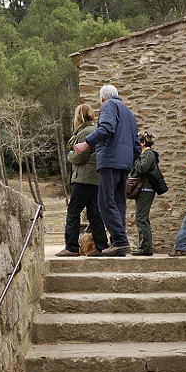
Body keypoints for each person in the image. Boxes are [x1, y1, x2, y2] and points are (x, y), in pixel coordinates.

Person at [74, 84, 141, 257]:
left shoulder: (108, 106)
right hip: (124, 164)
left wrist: (86, 143)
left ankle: (120, 240)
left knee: (104, 202)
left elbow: (106, 128)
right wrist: (130, 161)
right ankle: (119, 245)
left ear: (102, 98)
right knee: (118, 203)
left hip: (110, 160)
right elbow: (136, 144)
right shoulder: (128, 113)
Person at [57, 104, 109, 258]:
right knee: (94, 213)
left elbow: (80, 157)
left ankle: (71, 247)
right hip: (95, 178)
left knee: (73, 211)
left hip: (83, 178)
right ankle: (102, 246)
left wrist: (69, 155)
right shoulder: (95, 131)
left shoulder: (84, 132)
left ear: (78, 116)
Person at [130, 131, 159, 256]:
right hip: (143, 189)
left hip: (146, 189)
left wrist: (134, 159)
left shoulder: (148, 154)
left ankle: (145, 248)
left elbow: (142, 168)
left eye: (138, 142)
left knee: (141, 218)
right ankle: (145, 246)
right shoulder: (145, 154)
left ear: (143, 142)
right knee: (142, 218)